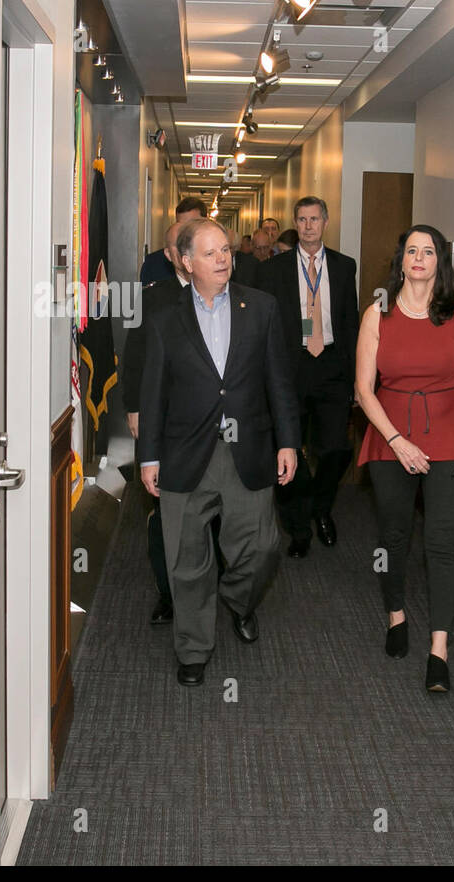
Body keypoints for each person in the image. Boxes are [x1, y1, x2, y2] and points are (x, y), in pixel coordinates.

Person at [137, 218, 300, 687]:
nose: (223, 259)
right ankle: (193, 647)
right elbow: (153, 393)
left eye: (226, 250)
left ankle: (236, 598)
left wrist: (288, 441)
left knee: (263, 546)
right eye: (210, 254)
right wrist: (149, 457)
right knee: (185, 558)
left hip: (246, 448)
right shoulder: (166, 317)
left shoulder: (261, 308)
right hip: (184, 453)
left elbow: (279, 381)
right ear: (186, 263)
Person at [355, 225, 454, 693]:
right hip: (391, 437)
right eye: (411, 250)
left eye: (428, 251)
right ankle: (396, 616)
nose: (419, 258)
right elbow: (363, 390)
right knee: (393, 535)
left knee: (440, 542)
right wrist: (396, 441)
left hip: (449, 436)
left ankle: (439, 650)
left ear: (439, 262)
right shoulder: (378, 314)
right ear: (401, 260)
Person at [258, 197, 360, 554]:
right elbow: (265, 326)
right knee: (288, 451)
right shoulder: (274, 269)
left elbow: (350, 323)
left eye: (314, 219)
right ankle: (298, 528)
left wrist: (357, 378)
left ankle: (321, 507)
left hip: (331, 366)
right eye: (301, 220)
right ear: (296, 223)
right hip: (291, 367)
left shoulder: (346, 267)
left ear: (325, 222)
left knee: (335, 449)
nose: (308, 226)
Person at [124, 220, 191, 625]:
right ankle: (168, 592)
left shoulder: (229, 297)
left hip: (210, 425)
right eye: (177, 246)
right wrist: (134, 409)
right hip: (163, 421)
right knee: (164, 510)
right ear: (170, 256)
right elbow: (134, 356)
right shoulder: (153, 298)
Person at [139, 197, 207, 285]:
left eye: (192, 225)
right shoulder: (154, 264)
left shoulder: (218, 259)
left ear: (206, 222)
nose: (186, 231)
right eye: (181, 225)